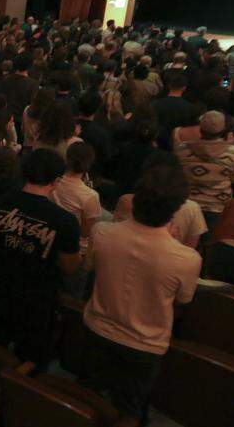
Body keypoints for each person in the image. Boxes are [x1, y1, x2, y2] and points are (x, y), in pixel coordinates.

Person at [83, 164, 201, 421]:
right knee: (129, 408)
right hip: (144, 345)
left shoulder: (101, 232)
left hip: (96, 329)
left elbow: (90, 267)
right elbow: (183, 299)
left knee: (88, 395)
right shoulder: (187, 258)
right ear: (176, 209)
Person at [0, 149, 80, 366]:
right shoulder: (65, 221)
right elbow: (70, 267)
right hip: (37, 301)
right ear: (56, 180)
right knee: (31, 360)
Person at [175, 110, 234, 228]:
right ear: (223, 130)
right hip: (219, 205)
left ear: (201, 129)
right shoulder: (233, 152)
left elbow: (178, 175)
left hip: (189, 204)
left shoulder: (183, 149)